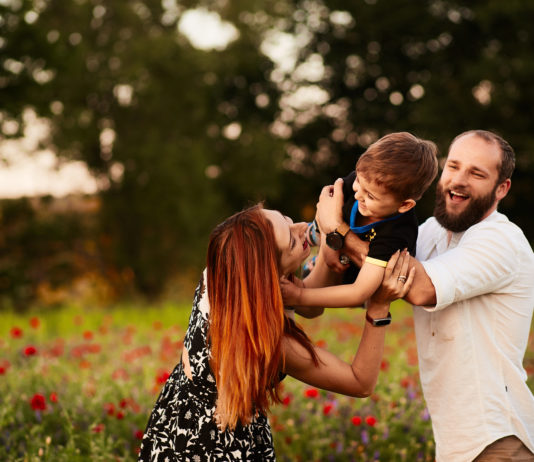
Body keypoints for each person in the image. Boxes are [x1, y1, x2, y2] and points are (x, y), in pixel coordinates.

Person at [318, 130, 534, 461]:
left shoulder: (501, 239)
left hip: (498, 439)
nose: (458, 181)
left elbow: (416, 287)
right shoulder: (429, 231)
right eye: (453, 167)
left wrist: (337, 230)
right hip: (455, 444)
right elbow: (374, 272)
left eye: (476, 173)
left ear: (501, 188)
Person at [138, 204, 414, 461]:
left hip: (174, 419)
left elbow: (304, 303)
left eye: (287, 220)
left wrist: (326, 255)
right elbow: (359, 382)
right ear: (268, 276)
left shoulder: (224, 269)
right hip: (217, 448)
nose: (301, 227)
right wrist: (378, 306)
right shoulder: (269, 343)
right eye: (291, 240)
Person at [280, 131, 438, 310]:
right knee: (310, 231)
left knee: (304, 302)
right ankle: (311, 236)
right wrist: (327, 238)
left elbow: (359, 292)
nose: (358, 195)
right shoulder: (364, 180)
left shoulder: (398, 233)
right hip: (329, 247)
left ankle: (303, 291)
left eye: (370, 195)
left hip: (349, 280)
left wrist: (300, 296)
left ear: (404, 205)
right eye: (358, 182)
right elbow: (325, 206)